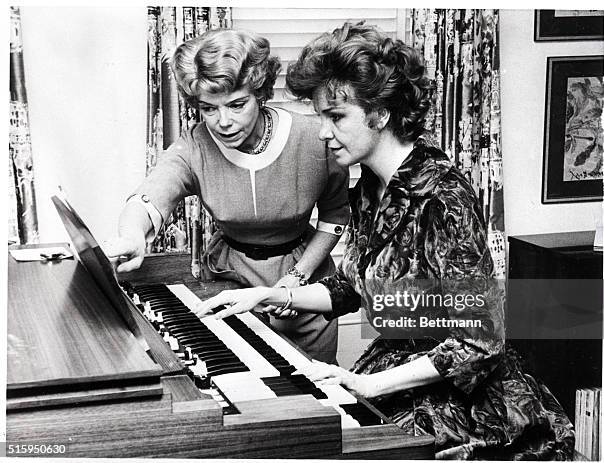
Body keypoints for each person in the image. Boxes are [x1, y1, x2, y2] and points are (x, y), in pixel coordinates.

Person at [196, 23, 574, 460]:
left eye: (335, 117)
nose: (322, 132)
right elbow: (354, 288)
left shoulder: (442, 196)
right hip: (397, 373)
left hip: (466, 402)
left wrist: (369, 385)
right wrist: (270, 295)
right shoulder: (371, 188)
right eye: (320, 117)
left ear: (379, 113)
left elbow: (481, 342)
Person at [105, 28, 350, 364]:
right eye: (209, 108)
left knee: (315, 397)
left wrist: (294, 281)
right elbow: (149, 197)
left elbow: (336, 217)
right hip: (228, 281)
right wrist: (133, 236)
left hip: (302, 282)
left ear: (260, 93)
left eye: (237, 105)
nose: (224, 122)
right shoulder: (195, 146)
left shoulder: (315, 138)